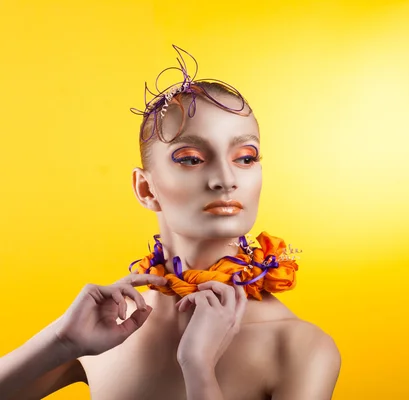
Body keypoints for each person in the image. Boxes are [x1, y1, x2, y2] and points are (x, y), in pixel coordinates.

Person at [0, 46, 341, 400]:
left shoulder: (299, 347)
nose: (225, 179)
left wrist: (198, 367)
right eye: (192, 159)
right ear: (146, 188)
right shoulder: (105, 328)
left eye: (245, 157)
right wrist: (62, 341)